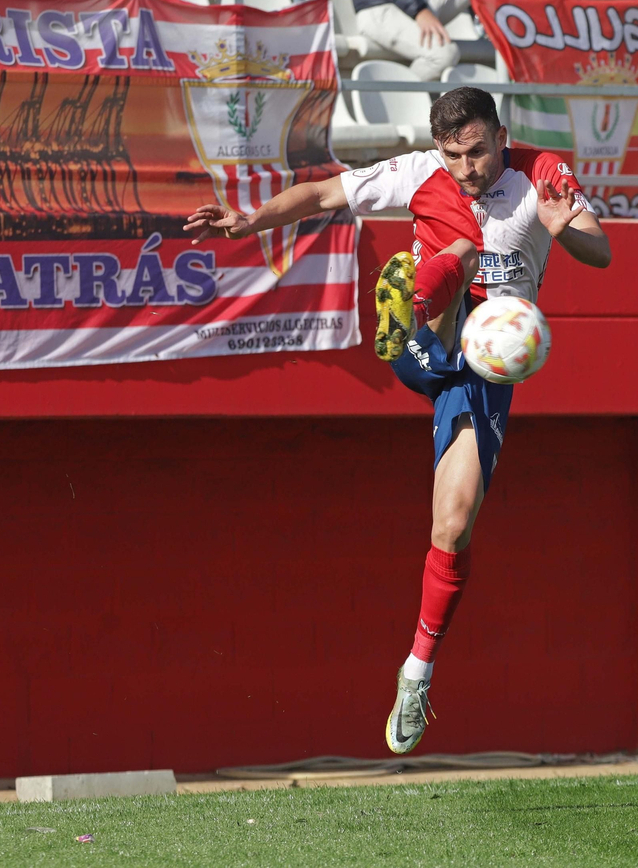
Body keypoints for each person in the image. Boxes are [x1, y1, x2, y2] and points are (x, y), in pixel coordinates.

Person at [186, 87, 611, 755]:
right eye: (453, 155)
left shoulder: (543, 173)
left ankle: (416, 672)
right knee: (463, 258)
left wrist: (566, 231)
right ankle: (410, 304)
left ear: (502, 135)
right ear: (437, 148)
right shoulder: (421, 174)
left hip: (489, 366)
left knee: (454, 521)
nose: (466, 168)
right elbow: (324, 195)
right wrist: (246, 223)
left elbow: (602, 252)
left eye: (476, 151)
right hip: (428, 338)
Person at [350, 0, 514, 83]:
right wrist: (419, 11)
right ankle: (391, 100)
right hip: (378, 6)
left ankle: (509, 41)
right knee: (444, 54)